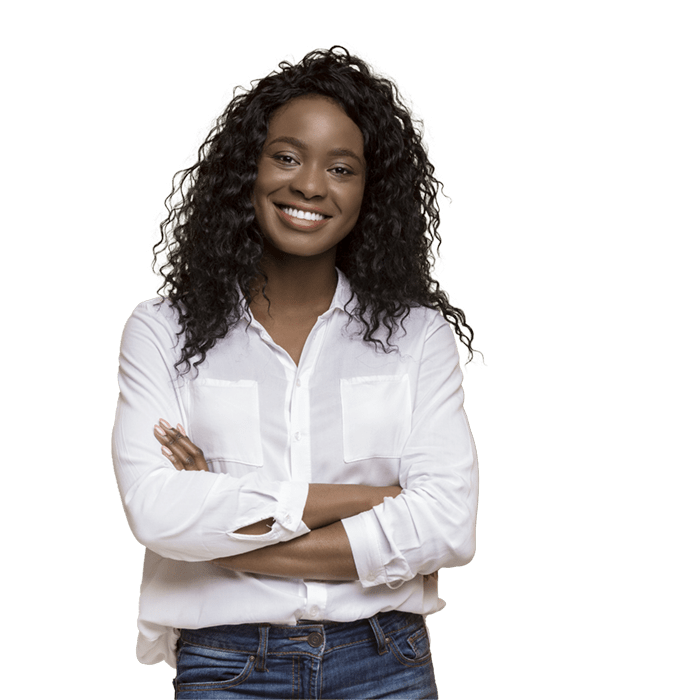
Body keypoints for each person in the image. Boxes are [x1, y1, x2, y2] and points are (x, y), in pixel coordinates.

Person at [112, 45, 482, 699]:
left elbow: (447, 525)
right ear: (246, 169)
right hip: (227, 665)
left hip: (382, 658)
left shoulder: (417, 337)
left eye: (341, 167)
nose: (310, 185)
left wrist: (224, 530)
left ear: (371, 192)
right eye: (286, 156)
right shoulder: (160, 330)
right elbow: (158, 513)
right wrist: (376, 499)